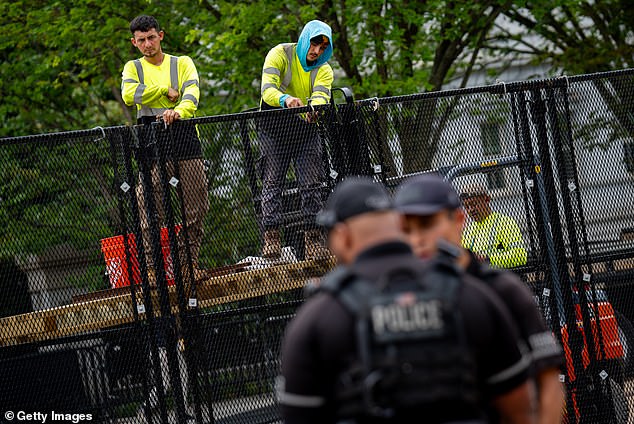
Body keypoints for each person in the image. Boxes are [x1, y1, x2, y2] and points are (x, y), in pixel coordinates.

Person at [278, 176, 537, 424]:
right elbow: (521, 412)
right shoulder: (474, 296)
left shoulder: (318, 318)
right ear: (397, 225)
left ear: (342, 235)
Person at [394, 173, 565, 424]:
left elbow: (519, 254)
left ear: (457, 220)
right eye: (406, 230)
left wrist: (490, 259)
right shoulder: (401, 295)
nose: (417, 240)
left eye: (428, 224)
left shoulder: (504, 277)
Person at [121, 15, 209, 281]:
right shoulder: (132, 67)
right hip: (151, 141)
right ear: (134, 43)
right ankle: (152, 269)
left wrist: (178, 111)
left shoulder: (182, 63)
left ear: (161, 35)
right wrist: (163, 90)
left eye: (151, 37)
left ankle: (187, 265)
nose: (147, 44)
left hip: (183, 136)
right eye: (141, 40)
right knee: (148, 204)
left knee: (196, 203)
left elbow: (192, 93)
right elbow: (128, 95)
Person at [258, 20, 334, 260]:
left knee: (311, 185)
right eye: (314, 45)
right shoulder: (280, 54)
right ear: (305, 39)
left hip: (305, 130)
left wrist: (316, 108)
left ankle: (313, 240)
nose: (316, 52)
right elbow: (266, 89)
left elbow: (322, 94)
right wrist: (285, 100)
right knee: (272, 183)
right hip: (274, 128)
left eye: (323, 49)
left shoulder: (324, 69)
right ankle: (271, 240)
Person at [460, 183, 527, 268]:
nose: (470, 210)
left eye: (474, 204)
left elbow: (520, 256)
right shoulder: (468, 230)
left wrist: (488, 260)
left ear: (486, 199)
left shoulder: (504, 223)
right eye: (466, 206)